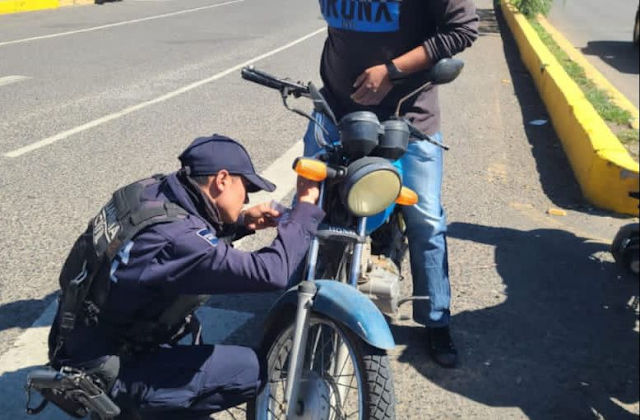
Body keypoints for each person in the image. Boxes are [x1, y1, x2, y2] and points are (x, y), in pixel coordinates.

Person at [46, 134, 323, 419]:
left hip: (75, 341)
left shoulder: (149, 192)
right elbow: (272, 273)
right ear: (222, 180)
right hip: (105, 372)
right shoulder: (176, 240)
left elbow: (178, 241)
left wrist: (241, 221)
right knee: (250, 369)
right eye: (246, 188)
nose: (248, 198)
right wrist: (305, 206)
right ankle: (131, 412)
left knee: (189, 332)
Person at [308, 0, 479, 367]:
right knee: (309, 209)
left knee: (426, 220)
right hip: (334, 111)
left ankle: (436, 318)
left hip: (408, 117)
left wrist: (391, 70)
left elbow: (463, 28)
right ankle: (301, 297)